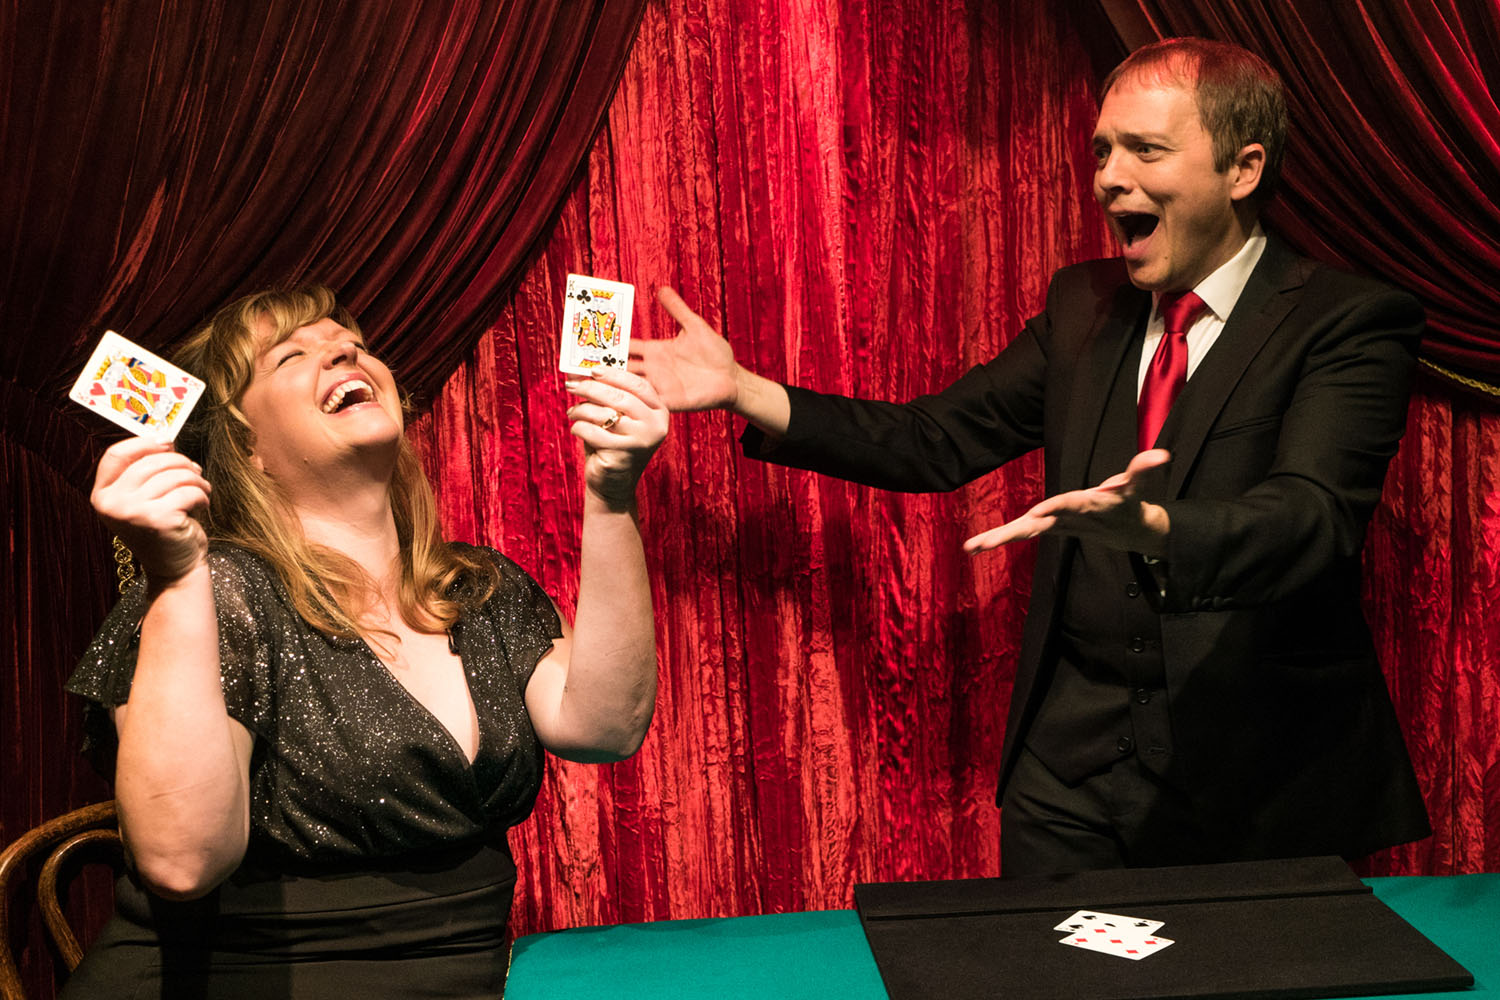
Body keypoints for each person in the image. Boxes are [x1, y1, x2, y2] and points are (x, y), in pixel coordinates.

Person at [632, 37, 1430, 876]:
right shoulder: (1083, 307)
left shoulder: (1347, 321)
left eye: (1145, 150)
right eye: (1103, 150)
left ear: (1244, 168)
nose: (1109, 177)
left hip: (1261, 787)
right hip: (1069, 786)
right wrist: (742, 388)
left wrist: (1158, 527)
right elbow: (932, 439)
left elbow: (1313, 517)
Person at [64, 285, 668, 997]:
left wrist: (611, 492)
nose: (344, 350)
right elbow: (183, 863)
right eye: (293, 353)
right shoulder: (211, 587)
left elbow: (605, 726)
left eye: (350, 343)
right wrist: (176, 576)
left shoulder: (479, 586)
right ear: (247, 448)